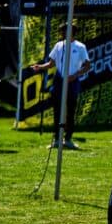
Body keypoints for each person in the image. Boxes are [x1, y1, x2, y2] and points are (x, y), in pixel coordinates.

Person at [31, 22, 90, 150]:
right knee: (57, 110)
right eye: (61, 32)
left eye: (63, 31)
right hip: (59, 81)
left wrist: (75, 75)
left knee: (70, 111)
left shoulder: (80, 47)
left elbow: (87, 65)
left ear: (71, 32)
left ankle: (68, 139)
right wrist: (39, 67)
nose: (61, 34)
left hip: (72, 81)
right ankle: (57, 139)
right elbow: (51, 63)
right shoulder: (58, 45)